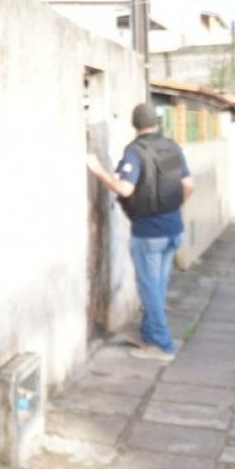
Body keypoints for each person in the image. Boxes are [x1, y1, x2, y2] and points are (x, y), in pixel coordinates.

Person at [86, 103, 196, 363]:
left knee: (149, 290)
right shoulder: (169, 149)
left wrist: (98, 170)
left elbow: (125, 189)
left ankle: (162, 345)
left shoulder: (135, 152)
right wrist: (171, 208)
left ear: (134, 124)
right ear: (156, 122)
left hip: (149, 234)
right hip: (173, 230)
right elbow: (188, 185)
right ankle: (148, 335)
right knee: (158, 286)